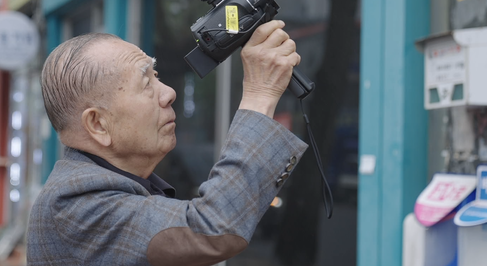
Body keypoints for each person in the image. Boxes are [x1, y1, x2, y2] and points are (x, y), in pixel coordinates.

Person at [27, 20, 308, 266]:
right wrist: (260, 94)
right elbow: (213, 229)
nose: (170, 93)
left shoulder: (119, 186)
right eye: (146, 83)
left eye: (156, 76)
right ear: (98, 124)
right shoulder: (74, 202)